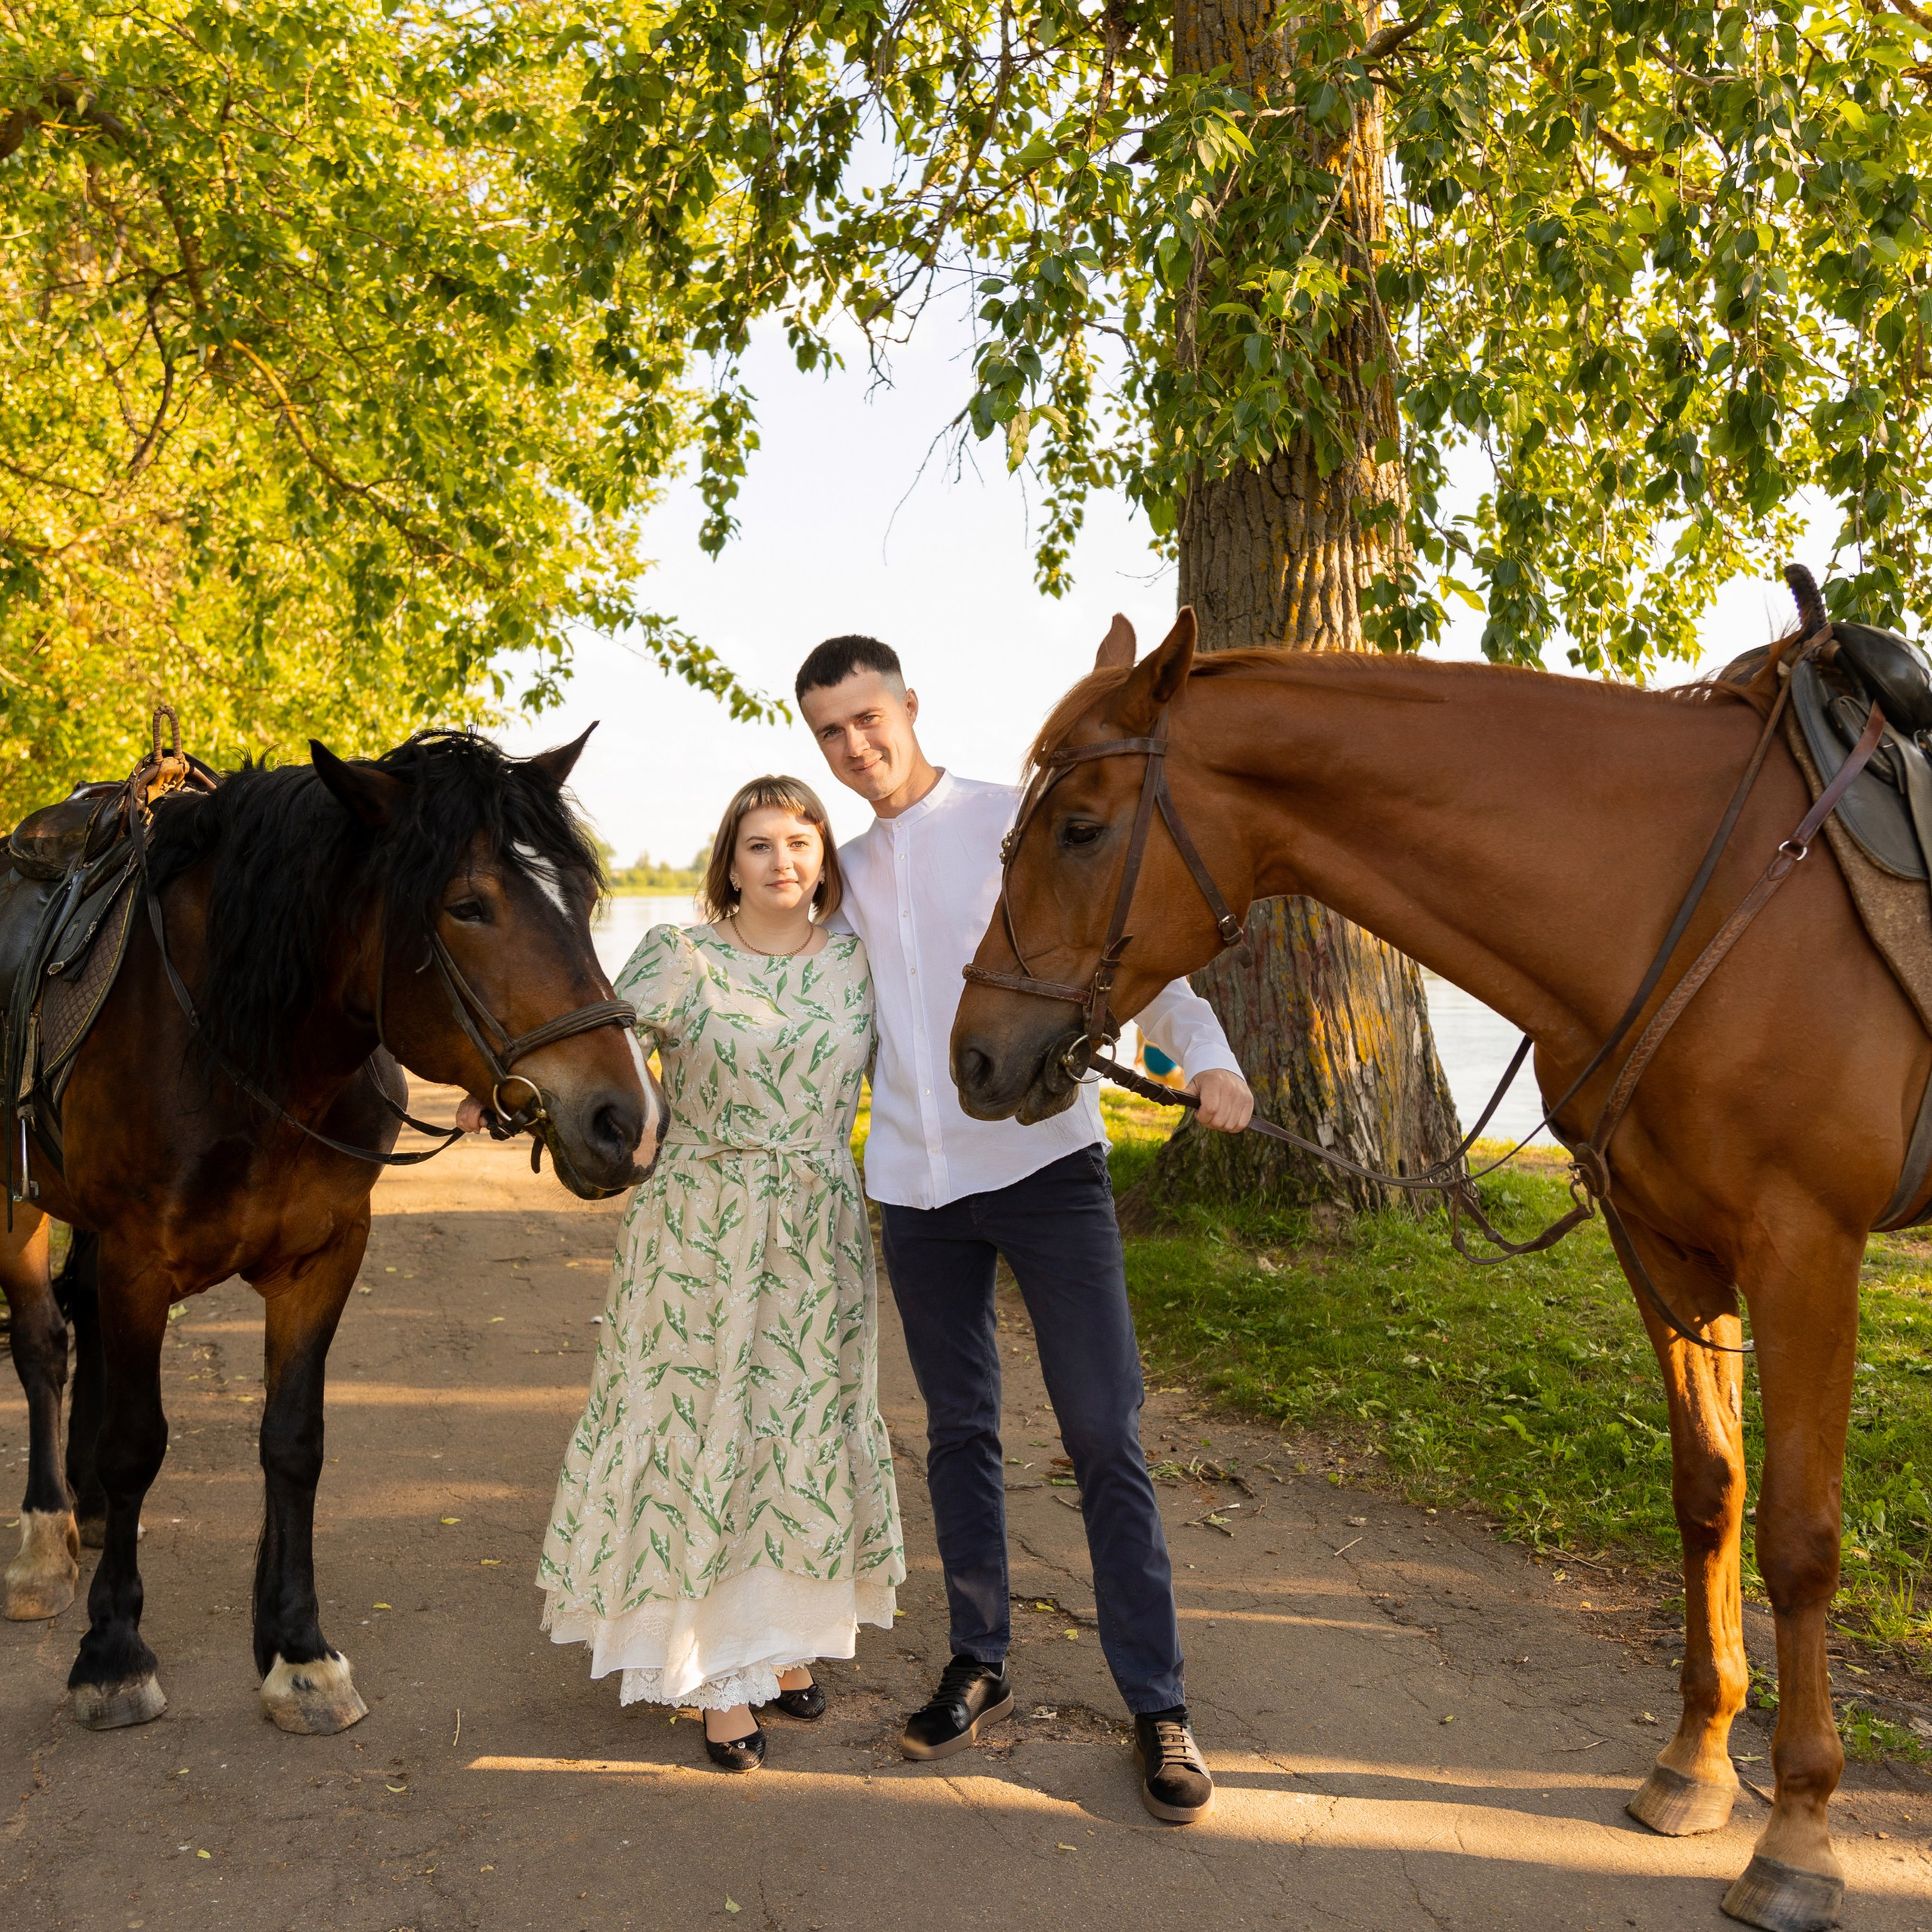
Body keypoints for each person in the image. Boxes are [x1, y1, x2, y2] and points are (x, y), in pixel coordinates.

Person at [797, 629, 1255, 1825]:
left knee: (1106, 1434)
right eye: (830, 733)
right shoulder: (844, 880)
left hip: (1048, 1173)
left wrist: (1208, 1062)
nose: (854, 747)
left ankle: (1159, 1704)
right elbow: (784, 1007)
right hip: (913, 1190)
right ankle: (978, 1661)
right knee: (960, 1434)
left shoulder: (1026, 823)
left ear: (909, 707)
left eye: (867, 720)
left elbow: (1144, 966)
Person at [532, 776, 903, 1771]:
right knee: (705, 1436)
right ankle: (711, 1677)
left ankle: (782, 1643)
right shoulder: (680, 957)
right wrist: (513, 1094)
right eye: (758, 844)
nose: (783, 858)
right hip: (699, 1229)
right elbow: (584, 1049)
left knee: (799, 1435)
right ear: (727, 864)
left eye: (801, 839)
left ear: (825, 857)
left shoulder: (858, 967)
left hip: (820, 1234)